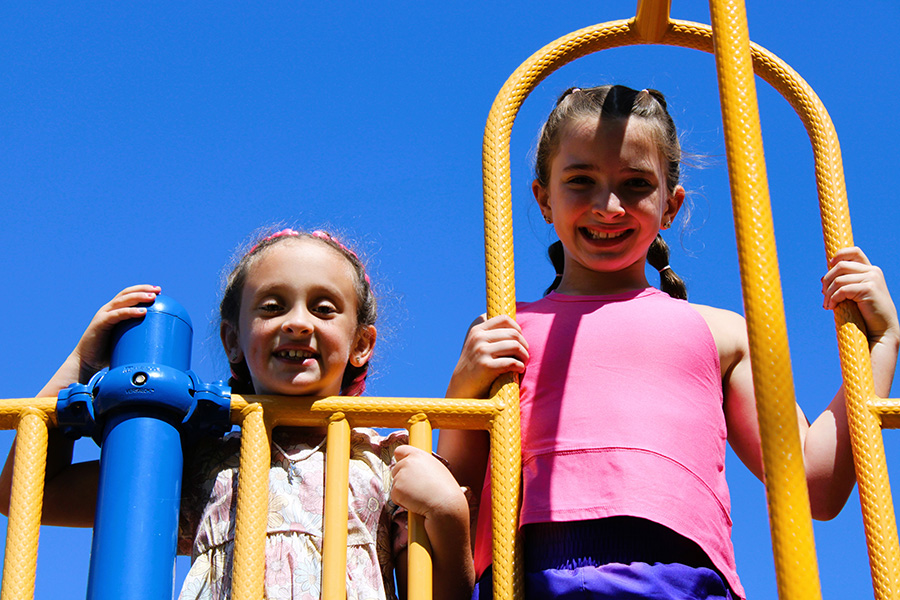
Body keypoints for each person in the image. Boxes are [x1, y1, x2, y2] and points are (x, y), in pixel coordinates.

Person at [437, 85, 899, 600]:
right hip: (525, 575)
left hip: (679, 577)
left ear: (670, 205)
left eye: (635, 184)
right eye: (580, 181)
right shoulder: (506, 329)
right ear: (544, 198)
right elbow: (455, 494)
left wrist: (879, 342)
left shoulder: (721, 333)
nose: (608, 205)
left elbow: (816, 485)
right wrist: (462, 395)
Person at [0, 228, 474, 600]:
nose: (297, 321)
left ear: (361, 344)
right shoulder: (201, 456)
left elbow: (440, 593)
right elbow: (29, 493)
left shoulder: (385, 460)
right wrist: (82, 366)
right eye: (272, 306)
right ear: (232, 339)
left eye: (324, 308)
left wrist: (449, 513)